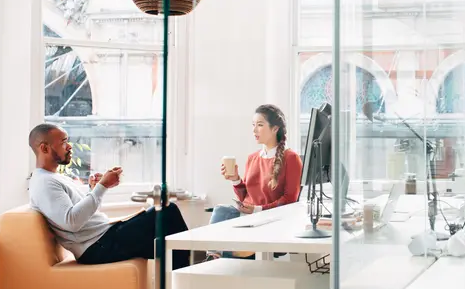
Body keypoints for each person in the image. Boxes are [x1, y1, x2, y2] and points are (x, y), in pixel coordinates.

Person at [28, 123, 190, 270]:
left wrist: (93, 190)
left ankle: (184, 280)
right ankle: (189, 277)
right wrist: (102, 186)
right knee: (167, 213)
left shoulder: (54, 178)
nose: (69, 146)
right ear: (44, 148)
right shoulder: (44, 183)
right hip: (97, 247)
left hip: (102, 238)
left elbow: (83, 217)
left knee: (167, 232)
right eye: (63, 142)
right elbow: (72, 223)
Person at [206, 105, 302, 259]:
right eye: (253, 125)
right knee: (222, 210)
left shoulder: (291, 158)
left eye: (260, 125)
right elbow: (246, 196)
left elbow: (290, 200)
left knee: (223, 214)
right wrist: (235, 179)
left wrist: (257, 210)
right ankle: (216, 255)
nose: (254, 130)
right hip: (248, 218)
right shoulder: (253, 158)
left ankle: (218, 254)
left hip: (268, 222)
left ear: (275, 128)